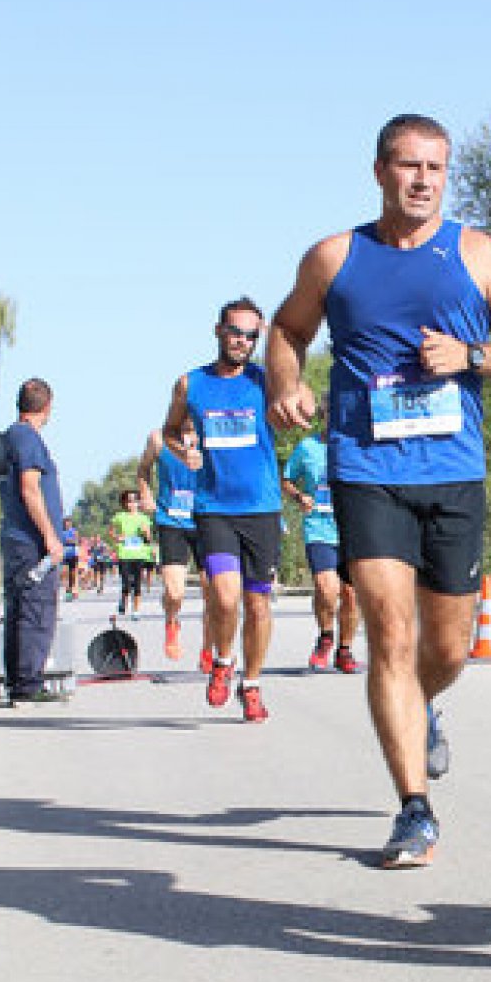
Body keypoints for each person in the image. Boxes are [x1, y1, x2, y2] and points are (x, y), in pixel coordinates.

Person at [266, 113, 491, 867]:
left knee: (447, 647)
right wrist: (285, 383)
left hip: (452, 473)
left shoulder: (478, 255)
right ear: (379, 171)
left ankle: (424, 706)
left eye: (435, 168)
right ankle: (414, 809)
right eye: (408, 165)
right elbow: (287, 331)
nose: (422, 181)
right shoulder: (335, 257)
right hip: (366, 469)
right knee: (389, 634)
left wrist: (471, 356)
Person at [162, 297, 283, 722]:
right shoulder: (190, 384)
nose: (242, 341)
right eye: (235, 332)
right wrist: (183, 452)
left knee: (259, 605)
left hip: (262, 508)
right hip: (214, 507)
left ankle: (252, 685)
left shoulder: (266, 381)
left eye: (251, 335)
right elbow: (170, 430)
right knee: (226, 598)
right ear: (218, 331)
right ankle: (224, 660)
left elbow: (298, 399)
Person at [0, 378, 65, 704]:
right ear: (47, 407)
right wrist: (50, 536)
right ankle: (28, 683)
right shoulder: (28, 438)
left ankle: (18, 680)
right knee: (36, 609)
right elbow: (30, 489)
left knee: (19, 607)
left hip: (16, 537)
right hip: (31, 541)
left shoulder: (12, 436)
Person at [282, 403, 362, 673]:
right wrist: (299, 496)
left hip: (351, 528)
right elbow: (287, 480)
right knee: (327, 588)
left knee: (350, 594)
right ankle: (326, 635)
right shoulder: (308, 448)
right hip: (319, 527)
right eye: (330, 415)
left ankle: (345, 650)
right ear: (323, 418)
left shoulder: (356, 446)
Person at [138, 424, 212, 664]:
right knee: (174, 591)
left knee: (213, 591)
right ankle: (171, 620)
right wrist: (146, 494)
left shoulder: (210, 434)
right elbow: (143, 469)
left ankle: (208, 648)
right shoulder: (159, 438)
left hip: (206, 520)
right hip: (171, 520)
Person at [109, 488, 154, 617]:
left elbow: (148, 539)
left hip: (139, 554)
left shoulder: (144, 518)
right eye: (129, 501)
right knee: (126, 582)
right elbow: (111, 531)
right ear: (124, 503)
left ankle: (136, 610)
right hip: (124, 554)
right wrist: (117, 537)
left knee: (138, 583)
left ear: (139, 502)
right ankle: (123, 601)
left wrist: (146, 533)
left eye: (135, 501)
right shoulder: (119, 517)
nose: (132, 504)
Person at [60, 516, 80, 600]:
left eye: (69, 522)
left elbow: (77, 541)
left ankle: (71, 589)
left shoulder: (74, 531)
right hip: (64, 554)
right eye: (66, 522)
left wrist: (70, 541)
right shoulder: (61, 531)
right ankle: (67, 589)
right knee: (64, 572)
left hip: (73, 554)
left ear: (71, 523)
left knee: (72, 573)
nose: (67, 524)